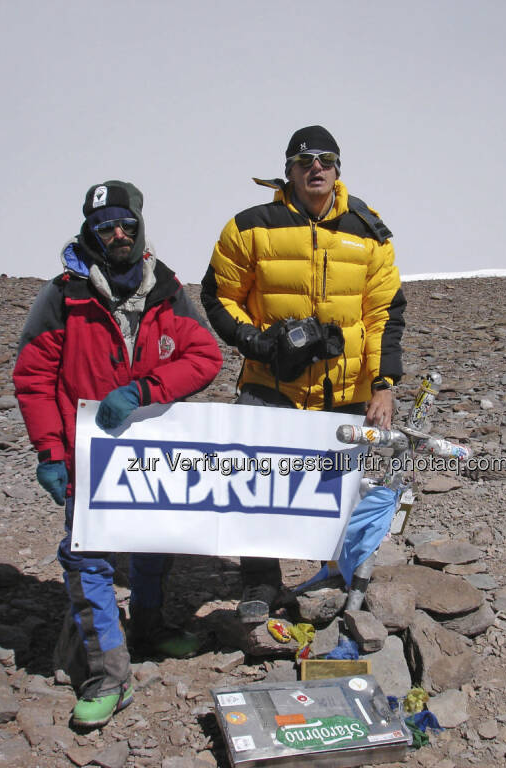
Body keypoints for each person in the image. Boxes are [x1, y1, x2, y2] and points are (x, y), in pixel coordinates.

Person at [13, 180, 222, 728]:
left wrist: (146, 390)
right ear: (92, 230)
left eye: (125, 222)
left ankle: (149, 625)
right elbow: (34, 377)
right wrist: (50, 453)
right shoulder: (65, 294)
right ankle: (108, 674)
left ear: (139, 224)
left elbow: (204, 356)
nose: (118, 233)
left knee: (152, 540)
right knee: (86, 557)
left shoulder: (166, 289)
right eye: (105, 226)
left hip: (149, 454)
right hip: (88, 456)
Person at [200, 125, 406, 625]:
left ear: (338, 169)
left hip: (345, 387)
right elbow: (217, 296)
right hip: (271, 383)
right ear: (288, 169)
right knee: (254, 482)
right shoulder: (250, 226)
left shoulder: (369, 230)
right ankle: (260, 581)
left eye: (327, 160)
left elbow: (386, 314)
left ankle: (334, 576)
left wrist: (384, 384)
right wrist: (257, 342)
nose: (317, 168)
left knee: (336, 486)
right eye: (305, 160)